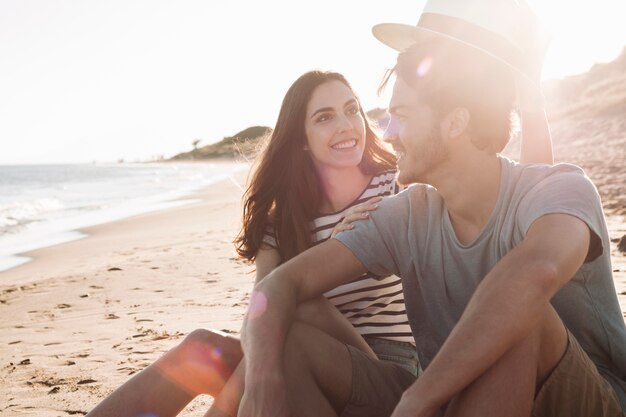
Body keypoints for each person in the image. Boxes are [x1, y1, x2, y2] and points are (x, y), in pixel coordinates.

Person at [87, 53, 552, 417]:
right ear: (300, 137)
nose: (346, 125)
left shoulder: (400, 183)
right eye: (324, 116)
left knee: (301, 302)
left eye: (351, 110)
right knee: (199, 349)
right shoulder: (283, 216)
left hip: (392, 366)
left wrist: (530, 101)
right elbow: (260, 308)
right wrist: (259, 377)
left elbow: (515, 183)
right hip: (298, 356)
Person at [237, 1, 626, 417]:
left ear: (456, 122)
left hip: (582, 400)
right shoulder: (407, 214)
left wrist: (416, 400)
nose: (386, 135)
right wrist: (261, 382)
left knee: (520, 321)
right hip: (448, 397)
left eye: (400, 116)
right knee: (294, 345)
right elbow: (279, 286)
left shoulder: (560, 190)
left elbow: (534, 275)